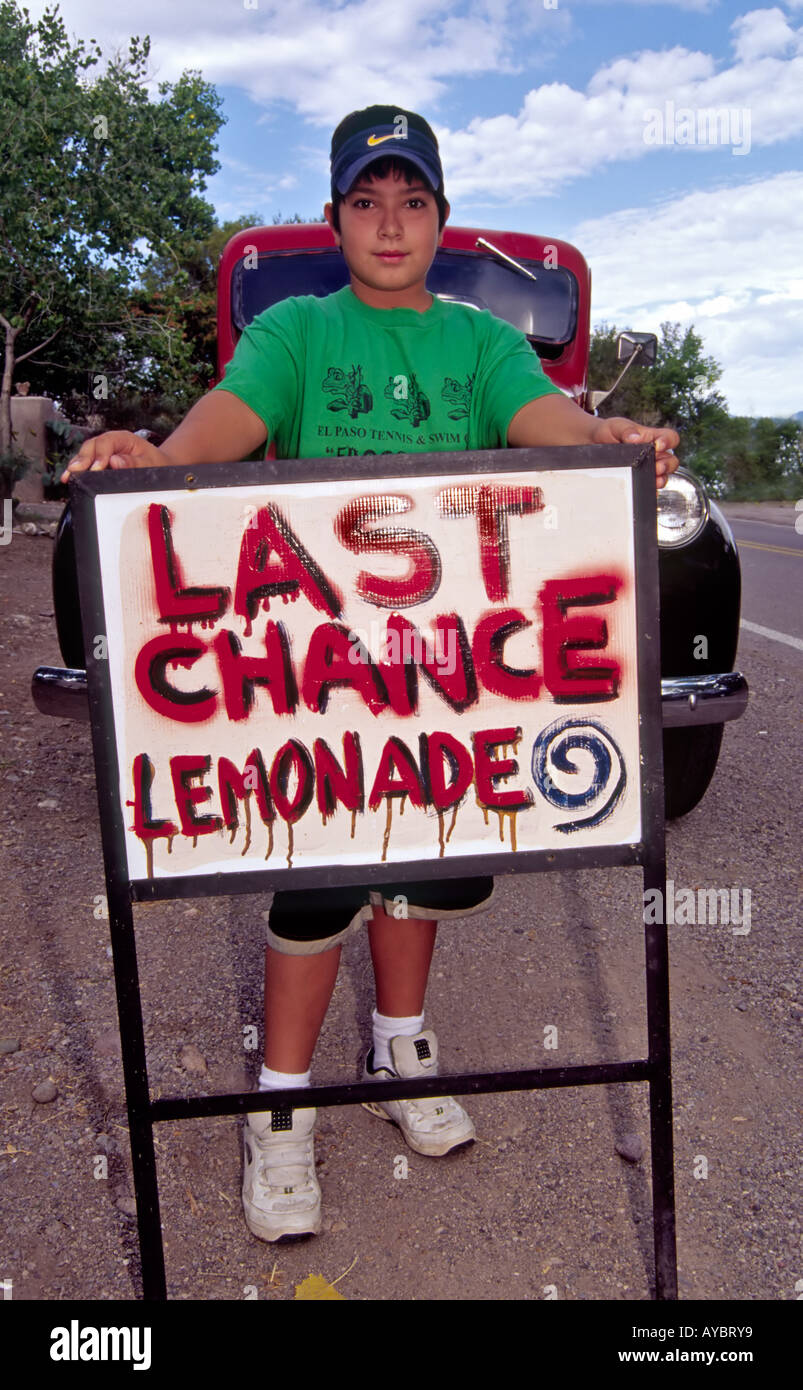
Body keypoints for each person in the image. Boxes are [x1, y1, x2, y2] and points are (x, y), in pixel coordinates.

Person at [62, 104, 680, 1243]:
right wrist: (152, 455)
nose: (388, 222)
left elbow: (549, 422)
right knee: (316, 882)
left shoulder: (482, 342)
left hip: (452, 681)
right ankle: (280, 1106)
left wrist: (611, 440)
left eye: (411, 201)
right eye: (365, 201)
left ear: (440, 221)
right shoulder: (295, 331)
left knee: (428, 868)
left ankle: (401, 1048)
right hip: (323, 681)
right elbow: (217, 431)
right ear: (335, 218)